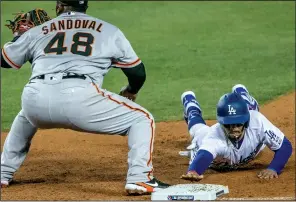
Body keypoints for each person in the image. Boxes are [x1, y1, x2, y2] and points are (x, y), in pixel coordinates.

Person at [0, 1, 170, 195]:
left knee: (26, 116)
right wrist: (131, 90)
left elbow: (4, 60)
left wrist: (19, 38)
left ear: (59, 5)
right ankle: (140, 178)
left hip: (34, 96)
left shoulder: (39, 30)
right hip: (79, 97)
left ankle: (3, 172)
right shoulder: (109, 30)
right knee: (142, 118)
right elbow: (137, 72)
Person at [179, 84, 292, 181]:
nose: (234, 129)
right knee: (197, 129)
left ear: (246, 122)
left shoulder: (257, 122)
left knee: (252, 109)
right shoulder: (213, 136)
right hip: (208, 147)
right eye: (228, 125)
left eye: (238, 124)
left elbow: (284, 146)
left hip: (250, 137)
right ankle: (190, 103)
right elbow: (204, 155)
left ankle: (241, 93)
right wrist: (194, 171)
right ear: (222, 123)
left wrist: (273, 168)